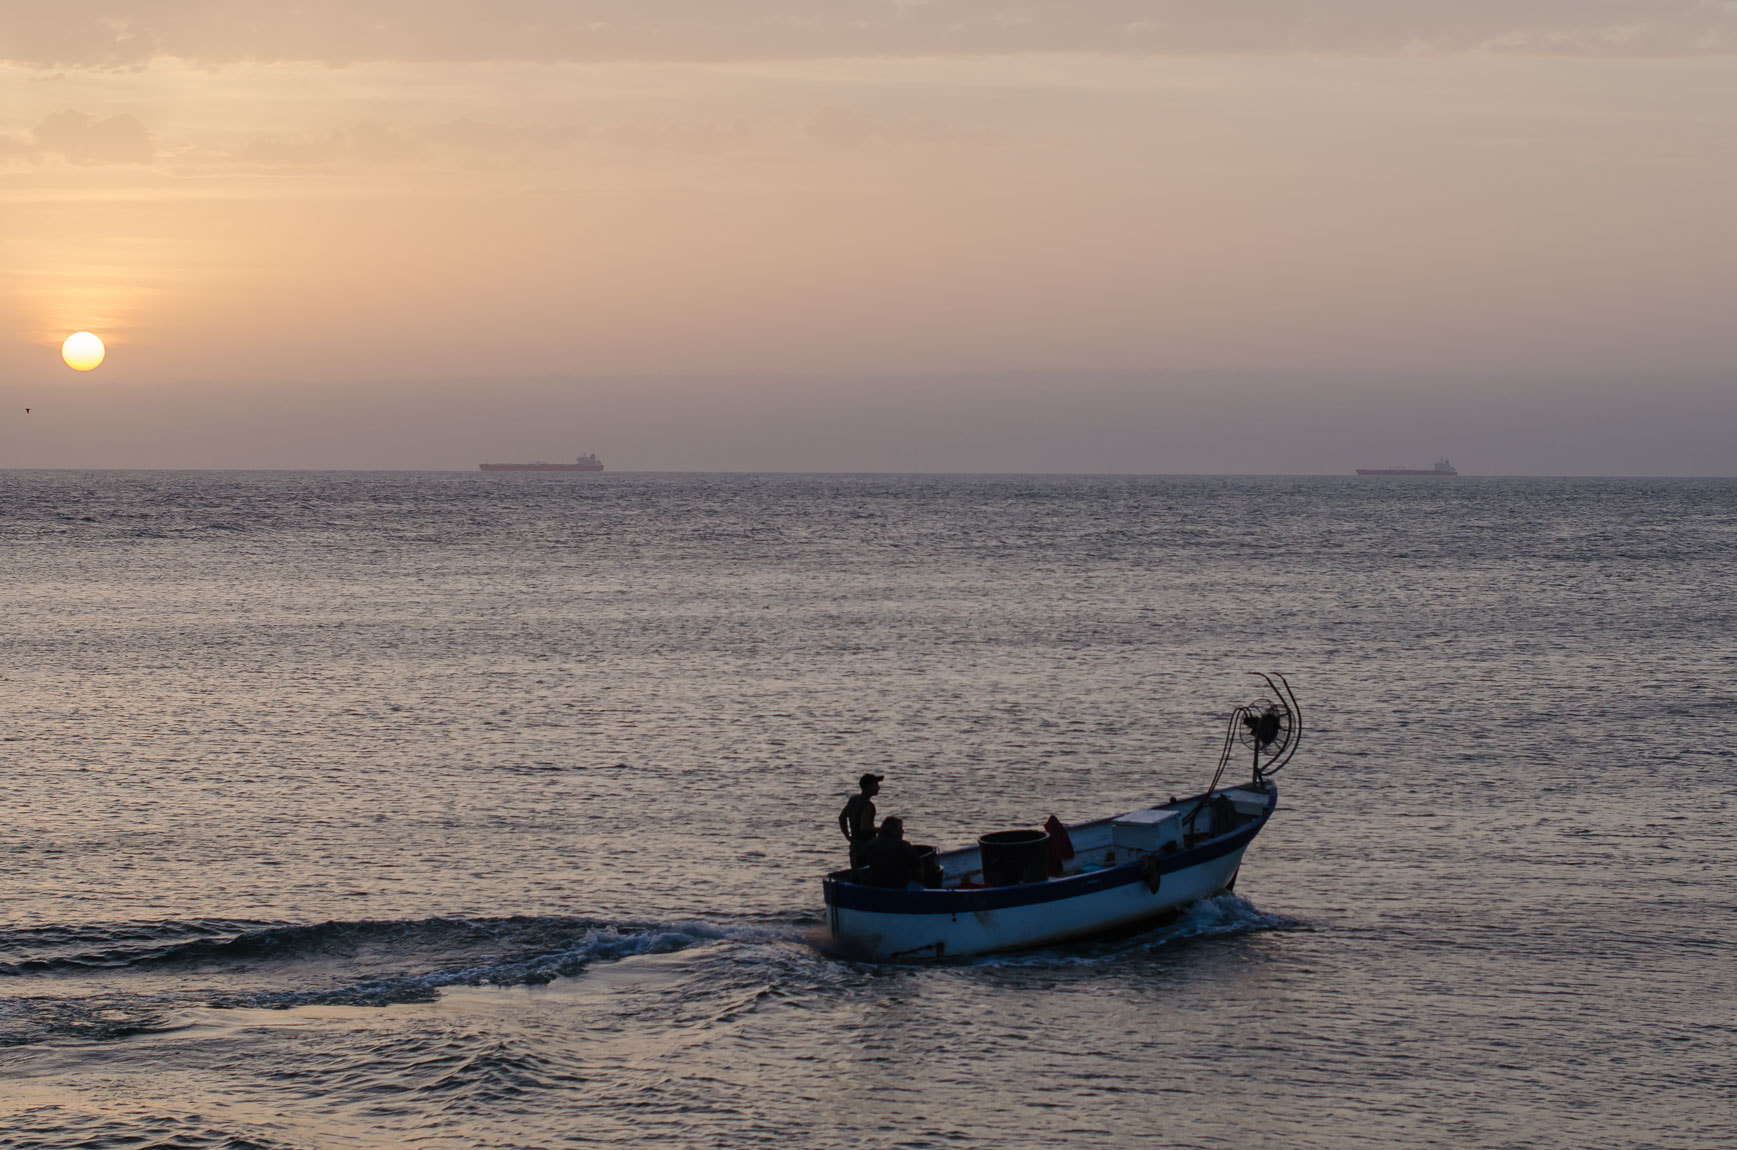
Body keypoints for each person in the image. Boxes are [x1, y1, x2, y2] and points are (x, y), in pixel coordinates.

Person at [863, 816, 926, 890]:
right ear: (893, 830)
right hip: (899, 888)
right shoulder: (904, 846)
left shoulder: (870, 844)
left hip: (874, 887)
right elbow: (919, 869)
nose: (903, 831)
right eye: (900, 828)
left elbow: (859, 866)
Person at [838, 773, 882, 869]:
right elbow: (864, 827)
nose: (879, 787)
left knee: (856, 872)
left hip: (854, 846)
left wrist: (847, 835)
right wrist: (879, 830)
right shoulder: (868, 805)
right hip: (865, 846)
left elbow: (841, 818)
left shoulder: (853, 799)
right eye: (876, 785)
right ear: (869, 787)